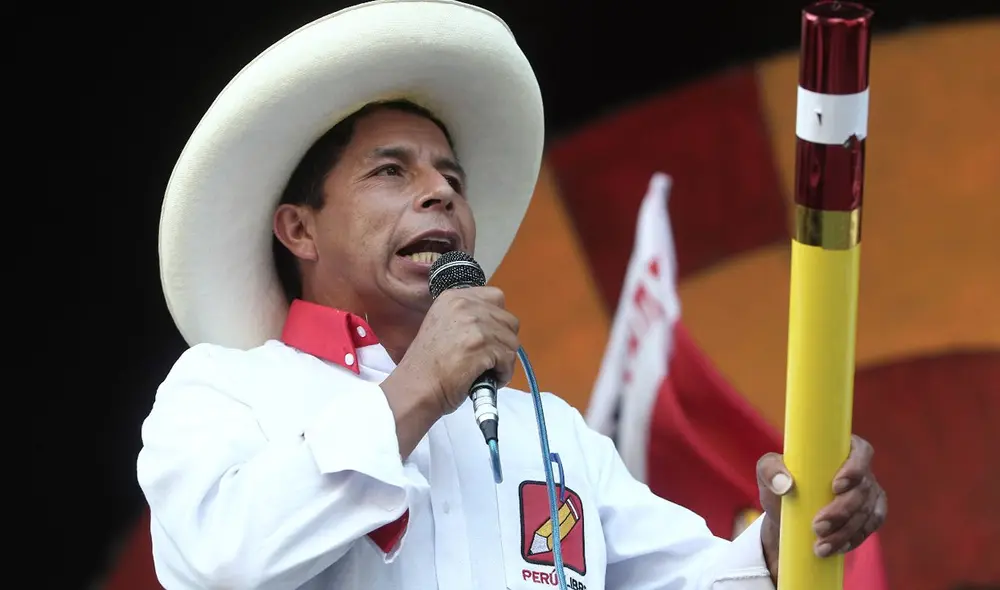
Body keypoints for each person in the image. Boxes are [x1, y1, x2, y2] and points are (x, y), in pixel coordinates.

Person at [138, 2, 887, 589]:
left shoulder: (551, 433)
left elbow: (691, 580)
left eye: (452, 180)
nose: (440, 193)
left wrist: (788, 539)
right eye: (392, 171)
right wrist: (421, 387)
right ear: (299, 229)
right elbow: (222, 562)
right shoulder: (224, 391)